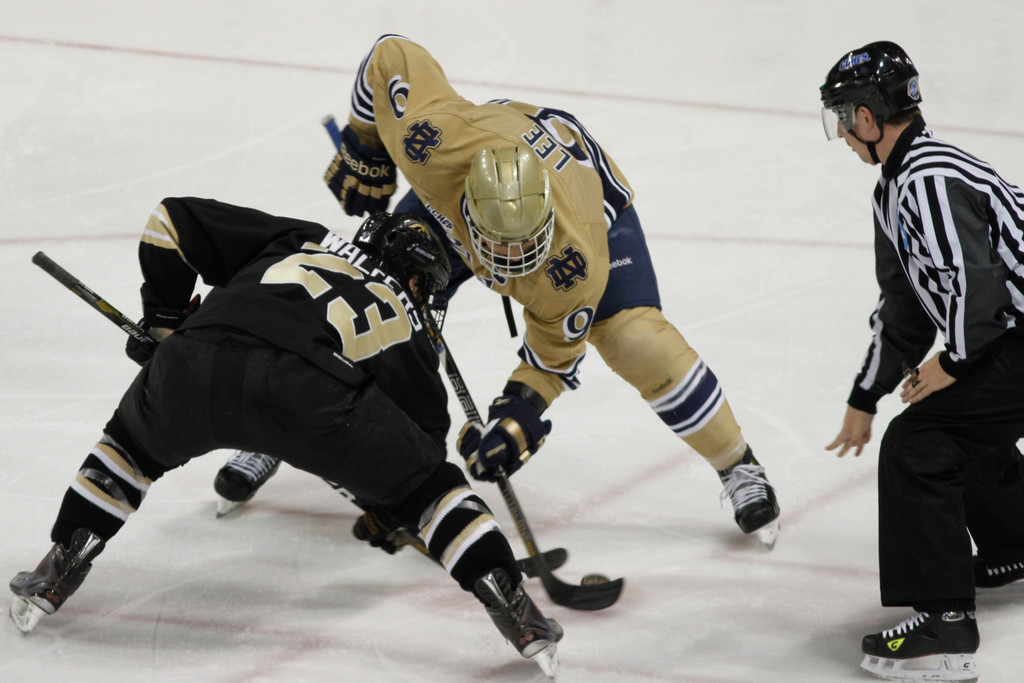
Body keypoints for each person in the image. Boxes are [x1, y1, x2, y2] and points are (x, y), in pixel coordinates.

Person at [217, 33, 781, 547]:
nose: (510, 267)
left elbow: (551, 363)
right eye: (498, 250)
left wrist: (515, 421)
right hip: (473, 178)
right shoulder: (430, 148)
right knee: (365, 292)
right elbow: (389, 54)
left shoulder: (573, 260)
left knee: (636, 339)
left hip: (588, 203)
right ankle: (285, 425)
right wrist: (366, 144)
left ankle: (737, 463)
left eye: (522, 250)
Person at [8, 200, 564, 677]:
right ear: (419, 279)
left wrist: (165, 321)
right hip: (310, 398)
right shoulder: (411, 324)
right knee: (432, 490)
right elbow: (422, 449)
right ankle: (510, 603)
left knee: (128, 451)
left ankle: (59, 566)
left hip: (196, 359)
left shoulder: (302, 239)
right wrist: (387, 500)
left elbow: (168, 221)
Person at [820, 41, 1024, 681]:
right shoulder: (899, 185)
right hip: (1012, 332)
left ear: (867, 117)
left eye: (843, 118)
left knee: (920, 442)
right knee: (951, 417)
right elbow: (906, 309)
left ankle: (945, 628)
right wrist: (864, 394)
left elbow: (978, 283)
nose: (844, 135)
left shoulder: (927, 179)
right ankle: (1015, 546)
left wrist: (956, 363)